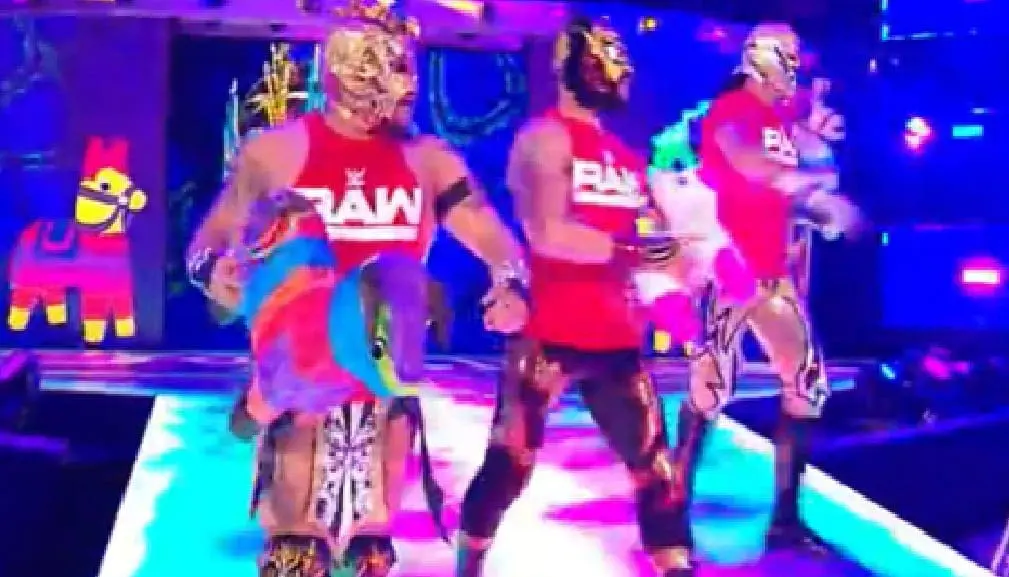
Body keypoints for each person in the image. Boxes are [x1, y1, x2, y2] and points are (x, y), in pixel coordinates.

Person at [186, 1, 529, 575]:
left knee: (371, 549)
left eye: (408, 68)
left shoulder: (430, 161)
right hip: (301, 378)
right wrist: (213, 270)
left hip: (384, 382)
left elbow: (489, 231)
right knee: (296, 547)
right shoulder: (275, 152)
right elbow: (209, 240)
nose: (407, 87)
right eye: (393, 68)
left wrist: (511, 281)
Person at [454, 16, 689, 577]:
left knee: (655, 468)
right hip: (549, 332)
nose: (620, 68)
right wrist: (636, 251)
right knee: (510, 463)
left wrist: (669, 263)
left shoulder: (625, 157)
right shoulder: (545, 138)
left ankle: (676, 565)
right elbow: (549, 234)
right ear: (573, 64)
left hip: (617, 334)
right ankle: (468, 566)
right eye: (607, 55)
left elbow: (661, 245)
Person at [665, 23, 862, 574]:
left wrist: (812, 209)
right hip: (728, 270)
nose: (796, 72)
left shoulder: (779, 122)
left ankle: (785, 518)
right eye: (789, 60)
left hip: (771, 275)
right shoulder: (732, 111)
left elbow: (774, 189)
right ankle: (672, 509)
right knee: (710, 387)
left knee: (806, 385)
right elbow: (750, 167)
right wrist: (816, 194)